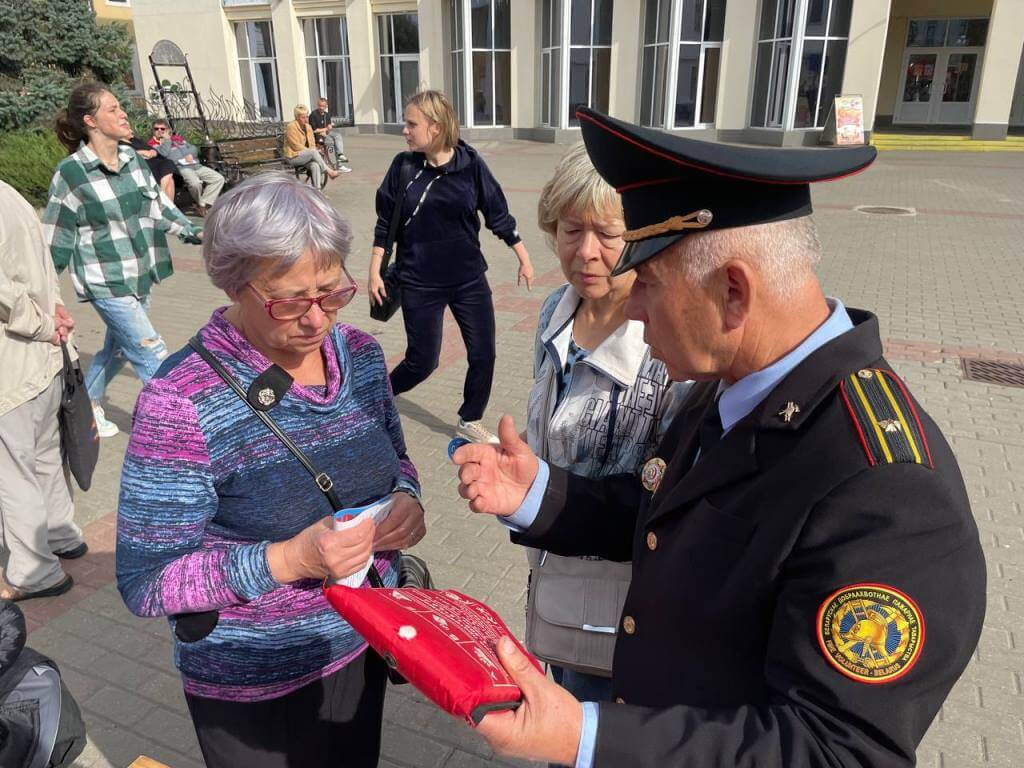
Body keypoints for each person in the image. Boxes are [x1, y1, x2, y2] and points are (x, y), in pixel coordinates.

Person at [453, 108, 987, 766]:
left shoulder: (887, 488)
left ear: (733, 292)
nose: (634, 309)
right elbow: (663, 521)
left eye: (646, 284)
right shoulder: (733, 383)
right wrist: (539, 492)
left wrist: (588, 736)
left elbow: (835, 749)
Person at [116, 174, 426, 768]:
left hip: (362, 639)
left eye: (332, 291)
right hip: (254, 683)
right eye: (289, 301)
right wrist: (290, 560)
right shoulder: (181, 400)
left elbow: (396, 457)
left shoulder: (359, 355)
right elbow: (146, 580)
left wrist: (407, 501)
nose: (316, 320)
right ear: (235, 283)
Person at [523, 143, 689, 704]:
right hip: (555, 573)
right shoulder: (554, 309)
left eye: (607, 234)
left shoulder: (669, 341)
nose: (586, 253)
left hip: (627, 602)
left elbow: (668, 493)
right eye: (572, 231)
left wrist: (536, 493)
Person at [369, 90, 534, 444]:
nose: (405, 131)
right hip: (418, 280)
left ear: (436, 126)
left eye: (411, 123)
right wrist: (374, 270)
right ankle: (375, 399)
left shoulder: (470, 165)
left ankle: (469, 418)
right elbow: (386, 222)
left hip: (468, 279)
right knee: (422, 360)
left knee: (484, 353)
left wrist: (522, 254)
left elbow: (497, 212)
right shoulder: (404, 167)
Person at [43, 81, 202, 440]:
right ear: (91, 121)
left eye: (121, 107)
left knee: (118, 349)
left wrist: (198, 232)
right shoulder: (71, 174)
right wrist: (48, 299)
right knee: (151, 350)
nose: (123, 113)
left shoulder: (131, 158)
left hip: (139, 273)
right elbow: (55, 241)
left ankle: (87, 407)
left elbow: (157, 207)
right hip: (105, 281)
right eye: (112, 109)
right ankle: (178, 433)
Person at [0, 181, 87, 603]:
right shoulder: (7, 193)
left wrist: (44, 322)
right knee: (44, 456)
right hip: (44, 356)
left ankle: (35, 571)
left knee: (13, 470)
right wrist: (54, 314)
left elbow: (6, 294)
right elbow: (38, 265)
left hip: (14, 361)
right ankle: (60, 534)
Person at [149, 118, 225, 216]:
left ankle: (203, 204)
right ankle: (202, 205)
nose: (159, 131)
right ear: (153, 131)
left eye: (162, 129)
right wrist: (167, 140)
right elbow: (164, 154)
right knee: (195, 183)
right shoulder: (152, 144)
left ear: (168, 130)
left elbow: (193, 148)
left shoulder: (177, 139)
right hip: (181, 168)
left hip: (195, 165)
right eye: (156, 129)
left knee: (218, 179)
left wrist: (190, 155)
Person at [284, 105, 340, 188]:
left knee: (315, 166)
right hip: (293, 156)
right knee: (313, 152)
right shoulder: (291, 127)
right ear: (297, 117)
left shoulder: (308, 127)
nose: (306, 119)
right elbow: (295, 146)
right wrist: (311, 152)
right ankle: (329, 171)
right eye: (303, 117)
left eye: (307, 116)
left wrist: (312, 151)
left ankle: (317, 192)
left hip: (306, 156)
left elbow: (312, 144)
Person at [123, 127, 175, 200]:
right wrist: (141, 152)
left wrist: (153, 152)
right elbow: (122, 154)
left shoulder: (136, 140)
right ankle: (164, 201)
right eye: (128, 129)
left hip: (156, 162)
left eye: (163, 129)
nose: (131, 131)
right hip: (143, 166)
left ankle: (164, 201)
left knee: (168, 167)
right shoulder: (119, 144)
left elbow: (152, 149)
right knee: (169, 177)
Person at [309, 97, 353, 173]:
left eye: (323, 106)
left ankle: (340, 155)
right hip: (317, 137)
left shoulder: (327, 115)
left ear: (326, 106)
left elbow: (328, 128)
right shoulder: (313, 115)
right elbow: (314, 130)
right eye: (320, 106)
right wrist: (325, 129)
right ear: (317, 105)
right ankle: (339, 166)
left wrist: (328, 128)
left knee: (337, 136)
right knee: (335, 143)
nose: (321, 108)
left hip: (325, 134)